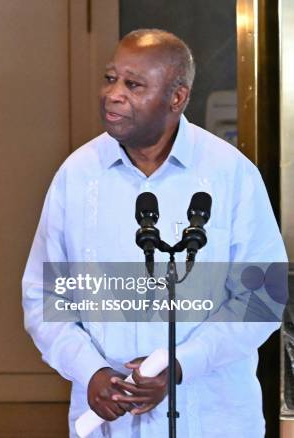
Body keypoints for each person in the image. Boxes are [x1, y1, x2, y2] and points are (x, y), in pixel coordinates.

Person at [22, 29, 287, 437]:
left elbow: (263, 295)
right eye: (111, 79)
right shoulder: (77, 175)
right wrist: (89, 370)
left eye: (134, 84)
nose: (113, 94)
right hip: (110, 424)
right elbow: (44, 296)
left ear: (176, 97)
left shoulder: (229, 174)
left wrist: (180, 365)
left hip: (211, 417)